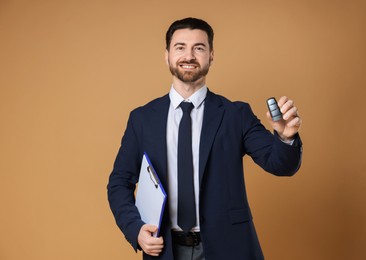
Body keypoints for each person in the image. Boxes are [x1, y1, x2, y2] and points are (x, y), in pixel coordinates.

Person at [107, 17, 303, 260]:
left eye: (198, 48)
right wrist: (135, 229)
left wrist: (285, 138)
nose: (189, 56)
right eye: (180, 47)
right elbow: (118, 184)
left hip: (229, 249)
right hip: (165, 249)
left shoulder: (236, 115)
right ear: (167, 55)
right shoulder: (142, 119)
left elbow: (281, 165)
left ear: (211, 55)